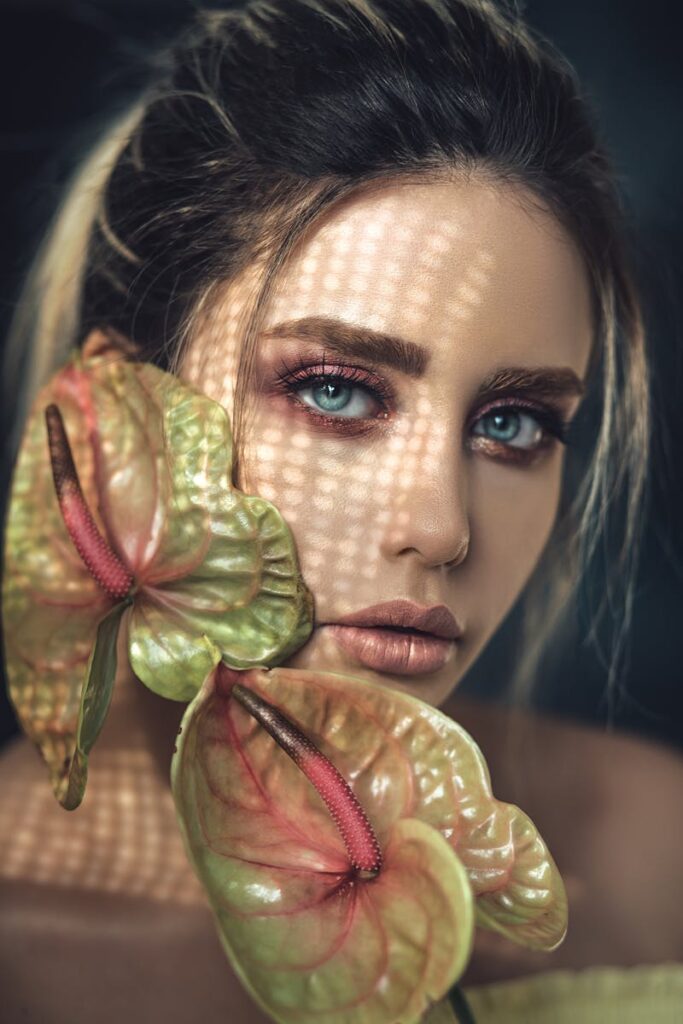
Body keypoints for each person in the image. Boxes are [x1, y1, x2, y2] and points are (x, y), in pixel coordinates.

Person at [1, 1, 682, 1021]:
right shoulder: (26, 942)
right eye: (334, 389)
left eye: (513, 423)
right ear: (121, 414)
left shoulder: (655, 855)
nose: (442, 527)